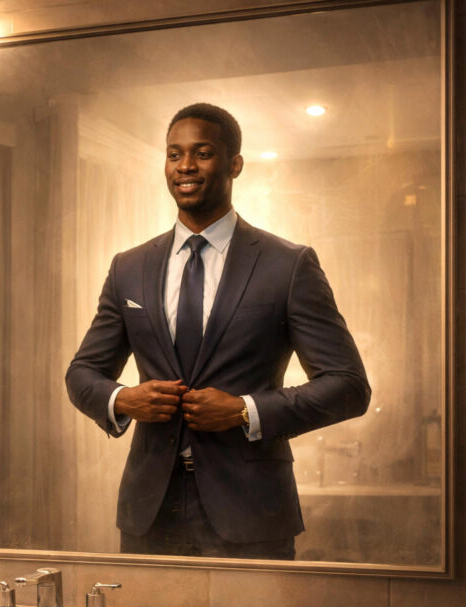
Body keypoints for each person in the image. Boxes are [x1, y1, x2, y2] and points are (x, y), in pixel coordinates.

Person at [65, 103, 370, 560]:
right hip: (149, 512)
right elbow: (83, 372)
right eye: (174, 154)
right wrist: (122, 399)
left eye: (202, 153)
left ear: (234, 164)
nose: (185, 166)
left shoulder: (287, 265)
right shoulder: (128, 268)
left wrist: (245, 410)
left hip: (251, 512)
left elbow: (348, 387)